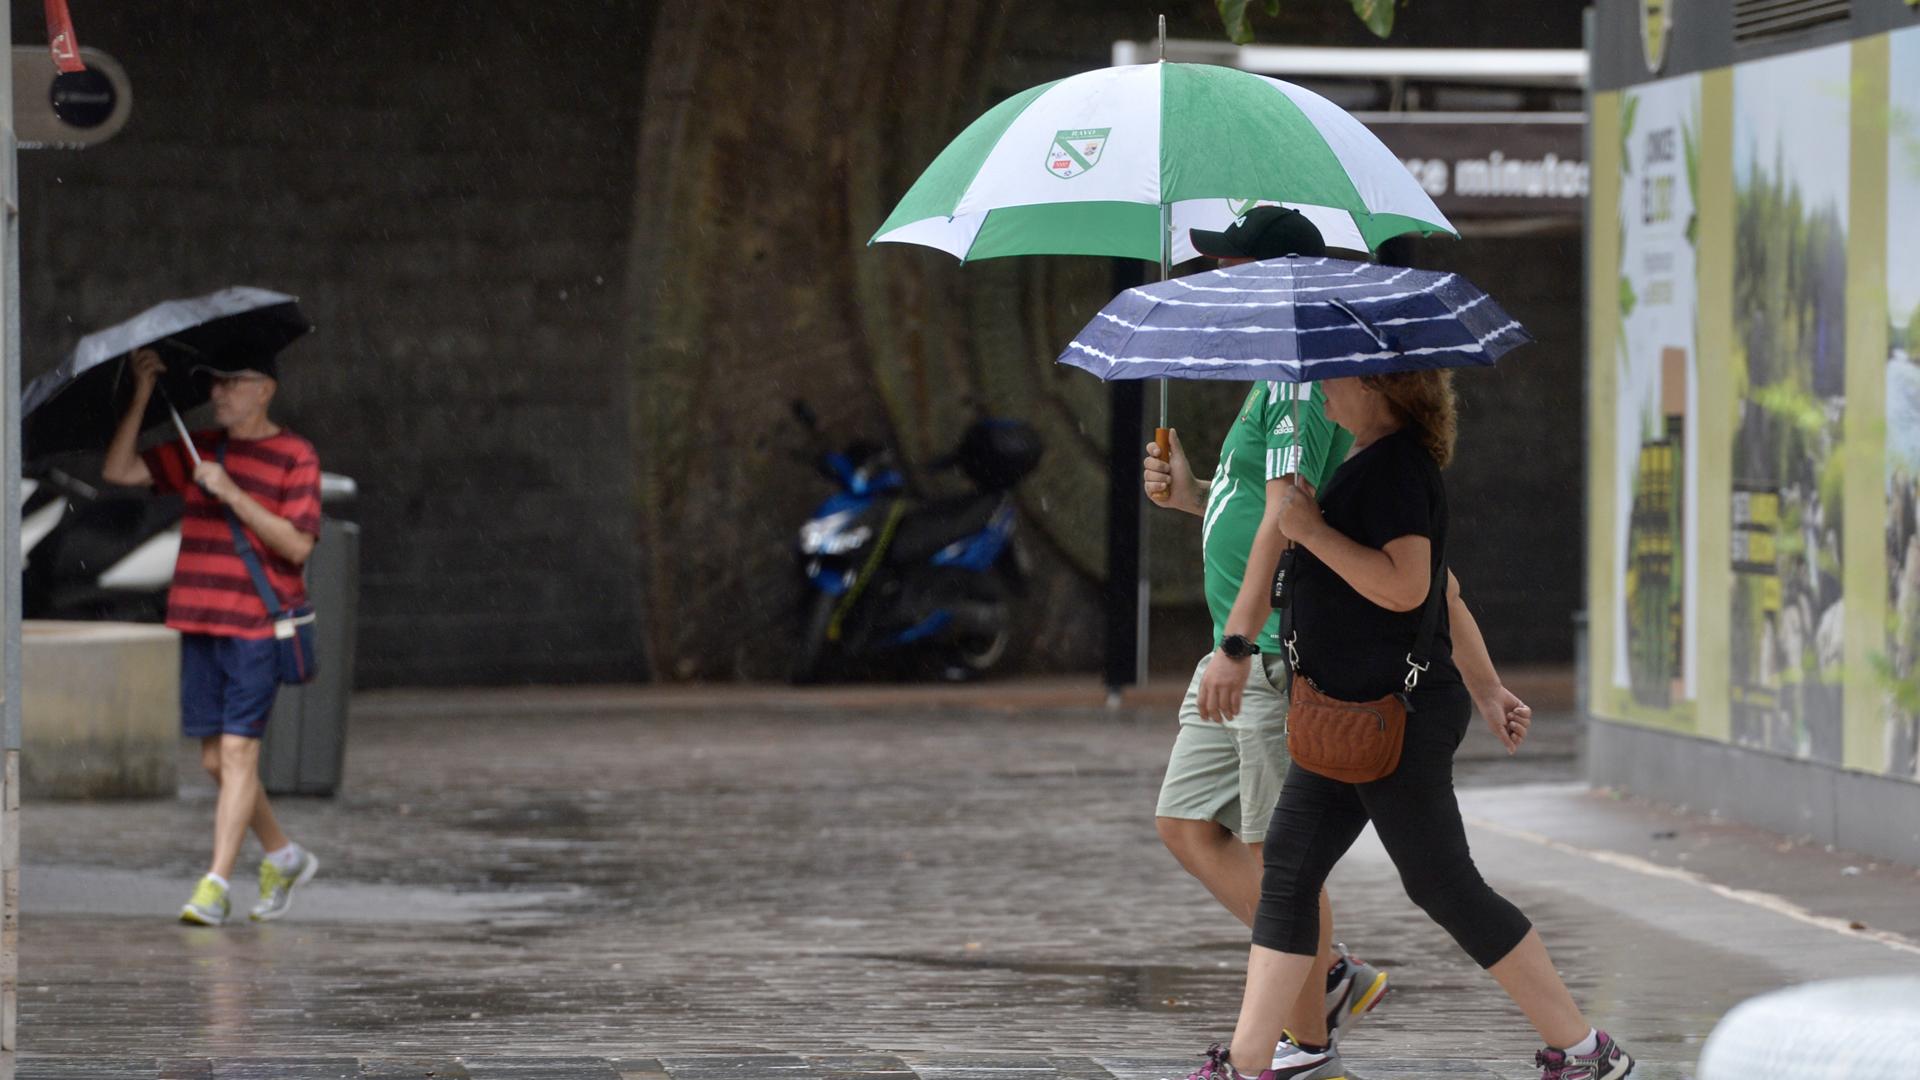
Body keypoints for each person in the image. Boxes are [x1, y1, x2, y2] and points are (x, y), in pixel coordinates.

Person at [1183, 370, 1635, 1080]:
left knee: (1443, 884)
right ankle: (1248, 1062)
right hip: (1343, 714)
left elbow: (1408, 586)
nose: (1324, 395)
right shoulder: (1368, 460)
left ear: (1379, 387)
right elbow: (1424, 587)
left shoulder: (1393, 469)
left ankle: (1585, 1051)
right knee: (1289, 878)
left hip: (1394, 719)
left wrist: (1307, 531)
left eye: (1336, 380)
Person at [1143, 206, 1380, 1077]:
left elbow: (1293, 515)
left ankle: (1307, 1033)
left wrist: (1242, 646)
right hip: (1233, 645)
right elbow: (1258, 502)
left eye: (1228, 265)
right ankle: (1329, 970)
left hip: (1266, 651)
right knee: (1184, 824)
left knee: (1276, 852)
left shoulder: (1304, 376)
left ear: (1271, 274)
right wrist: (1190, 494)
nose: (1214, 281)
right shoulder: (1272, 371)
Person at [102, 347, 324, 926]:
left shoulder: (295, 456)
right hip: (199, 620)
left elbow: (298, 545)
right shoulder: (200, 450)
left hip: (255, 625)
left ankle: (215, 884)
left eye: (232, 382)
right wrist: (144, 397)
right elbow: (119, 471)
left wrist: (230, 492)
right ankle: (283, 854)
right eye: (215, 384)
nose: (219, 393)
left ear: (265, 391)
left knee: (236, 753)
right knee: (213, 761)